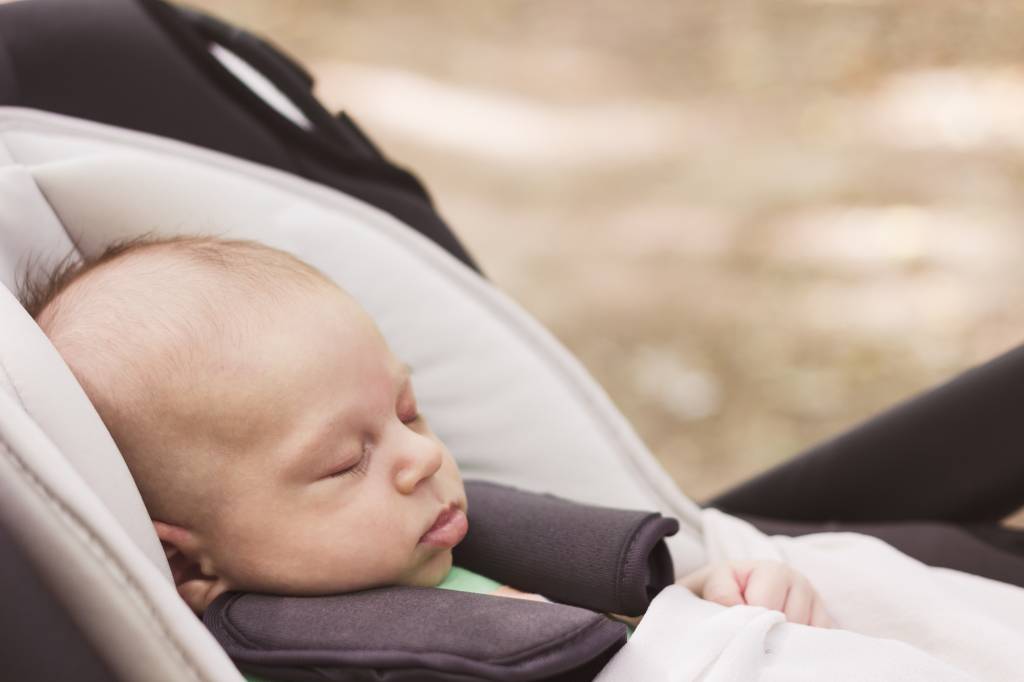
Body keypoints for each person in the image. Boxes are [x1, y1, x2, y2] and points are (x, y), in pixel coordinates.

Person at [23, 234, 831, 630]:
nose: (422, 457)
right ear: (183, 561)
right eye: (345, 463)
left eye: (407, 413)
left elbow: (604, 647)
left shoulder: (439, 573)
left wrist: (705, 606)